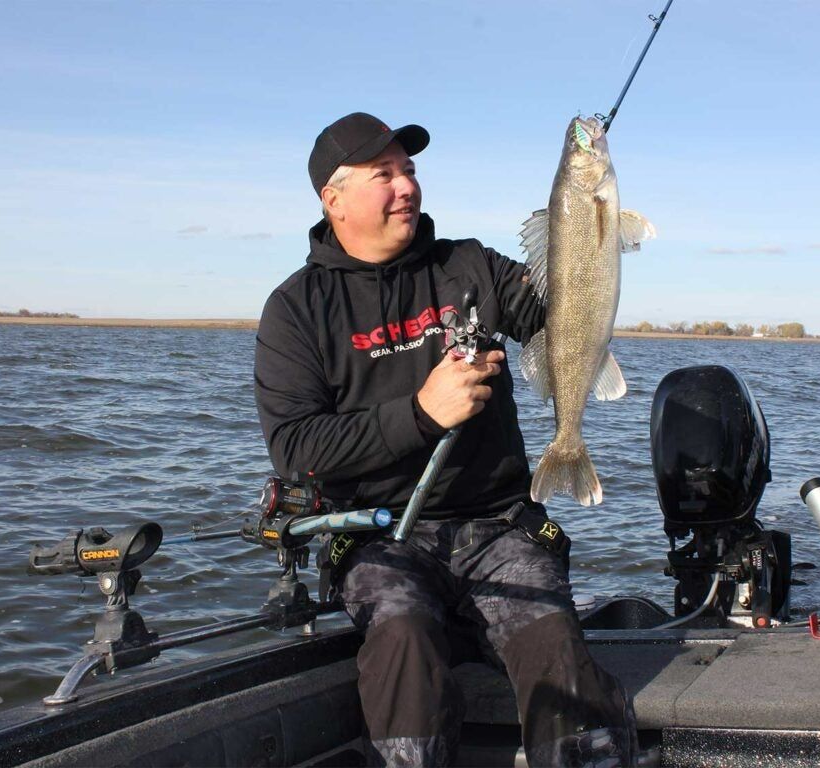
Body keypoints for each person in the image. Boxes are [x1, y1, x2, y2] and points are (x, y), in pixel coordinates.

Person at [254, 112, 637, 767]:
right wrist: (423, 414)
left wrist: (585, 235)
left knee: (558, 652)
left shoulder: (470, 266)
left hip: (497, 526)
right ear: (333, 198)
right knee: (404, 641)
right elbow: (296, 448)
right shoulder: (295, 309)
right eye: (385, 174)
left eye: (410, 171)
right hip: (381, 538)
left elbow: (559, 315)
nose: (406, 186)